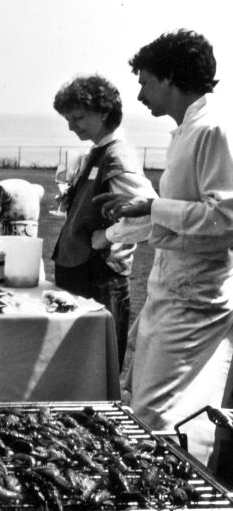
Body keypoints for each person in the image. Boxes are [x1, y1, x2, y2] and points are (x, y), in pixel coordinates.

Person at [96, 29, 233, 479]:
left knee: (158, 411)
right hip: (171, 286)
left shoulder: (212, 128)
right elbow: (181, 217)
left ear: (171, 80)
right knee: (144, 399)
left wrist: (153, 206)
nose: (139, 94)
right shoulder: (186, 131)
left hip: (196, 296)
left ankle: (183, 489)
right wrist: (125, 223)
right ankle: (179, 483)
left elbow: (225, 219)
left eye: (147, 81)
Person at [51, 75, 157, 367]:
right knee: (78, 367)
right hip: (81, 275)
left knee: (97, 368)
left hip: (100, 279)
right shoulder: (97, 152)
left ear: (105, 113)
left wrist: (108, 236)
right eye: (68, 119)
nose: (72, 126)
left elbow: (150, 215)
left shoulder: (117, 156)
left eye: (78, 117)